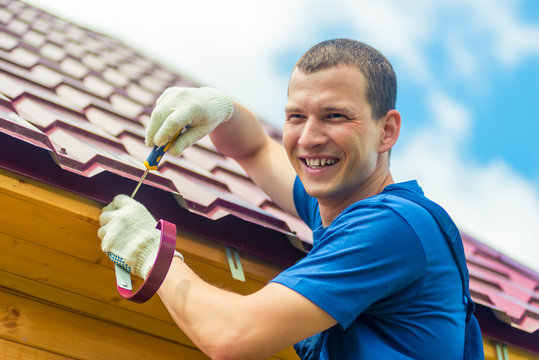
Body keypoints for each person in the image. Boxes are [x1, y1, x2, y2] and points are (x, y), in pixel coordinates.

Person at [98, 39, 483, 359]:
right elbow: (255, 150)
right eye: (296, 116)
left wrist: (151, 251)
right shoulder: (342, 203)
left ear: (387, 131)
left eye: (334, 116)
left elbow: (232, 335)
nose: (309, 138)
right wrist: (221, 110)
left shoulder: (393, 228)